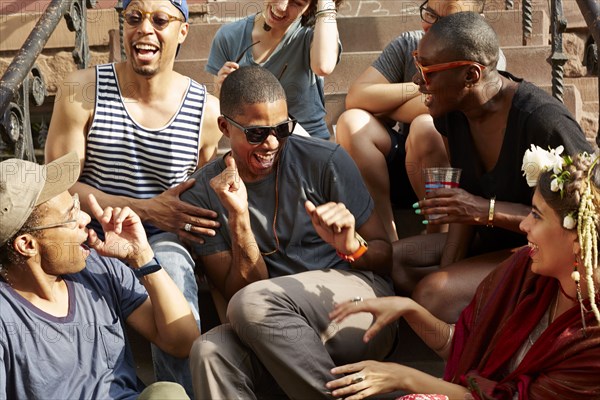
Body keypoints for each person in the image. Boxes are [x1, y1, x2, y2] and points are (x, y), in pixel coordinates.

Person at [180, 66, 396, 399]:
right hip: (273, 330)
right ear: (224, 127)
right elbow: (241, 294)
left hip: (353, 309)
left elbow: (385, 259)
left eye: (282, 129)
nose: (272, 143)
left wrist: (352, 245)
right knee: (210, 349)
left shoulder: (324, 161)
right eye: (256, 133)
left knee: (254, 303)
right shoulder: (205, 193)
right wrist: (238, 219)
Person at [43, 0, 222, 394]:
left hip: (162, 239)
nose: (145, 29)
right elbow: (56, 184)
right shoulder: (81, 89)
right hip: (90, 231)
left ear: (183, 31)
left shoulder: (206, 112)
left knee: (173, 270)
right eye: (134, 18)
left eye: (160, 20)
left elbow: (197, 197)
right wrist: (143, 207)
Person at [325, 147, 600, 400]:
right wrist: (409, 309)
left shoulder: (593, 342)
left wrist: (404, 377)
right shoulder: (525, 272)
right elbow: (464, 345)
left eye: (537, 216)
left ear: (576, 240)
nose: (525, 224)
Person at [392, 12, 593, 322]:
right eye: (418, 64)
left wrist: (484, 209)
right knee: (393, 262)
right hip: (487, 239)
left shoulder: (544, 122)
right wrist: (450, 265)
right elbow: (465, 206)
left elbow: (585, 219)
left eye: (428, 72)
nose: (417, 81)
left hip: (541, 250)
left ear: (471, 76)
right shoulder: (452, 113)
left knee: (432, 295)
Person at [0, 152, 200, 400]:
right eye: (70, 216)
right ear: (27, 245)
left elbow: (182, 342)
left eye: (76, 203)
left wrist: (142, 258)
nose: (85, 218)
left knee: (167, 394)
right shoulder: (5, 317)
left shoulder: (98, 268)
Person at [336, 0, 506, 241]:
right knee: (351, 122)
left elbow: (437, 112)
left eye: (447, 22)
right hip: (400, 163)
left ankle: (437, 236)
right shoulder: (408, 44)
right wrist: (423, 86)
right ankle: (386, 239)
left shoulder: (483, 53)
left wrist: (386, 106)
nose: (431, 27)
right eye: (429, 14)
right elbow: (357, 97)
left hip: (452, 166)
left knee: (425, 126)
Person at [206, 0, 343, 139]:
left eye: (297, 2)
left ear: (309, 8)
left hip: (304, 144)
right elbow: (221, 109)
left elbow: (323, 66)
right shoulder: (229, 35)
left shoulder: (315, 34)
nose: (281, 7)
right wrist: (221, 89)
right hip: (254, 142)